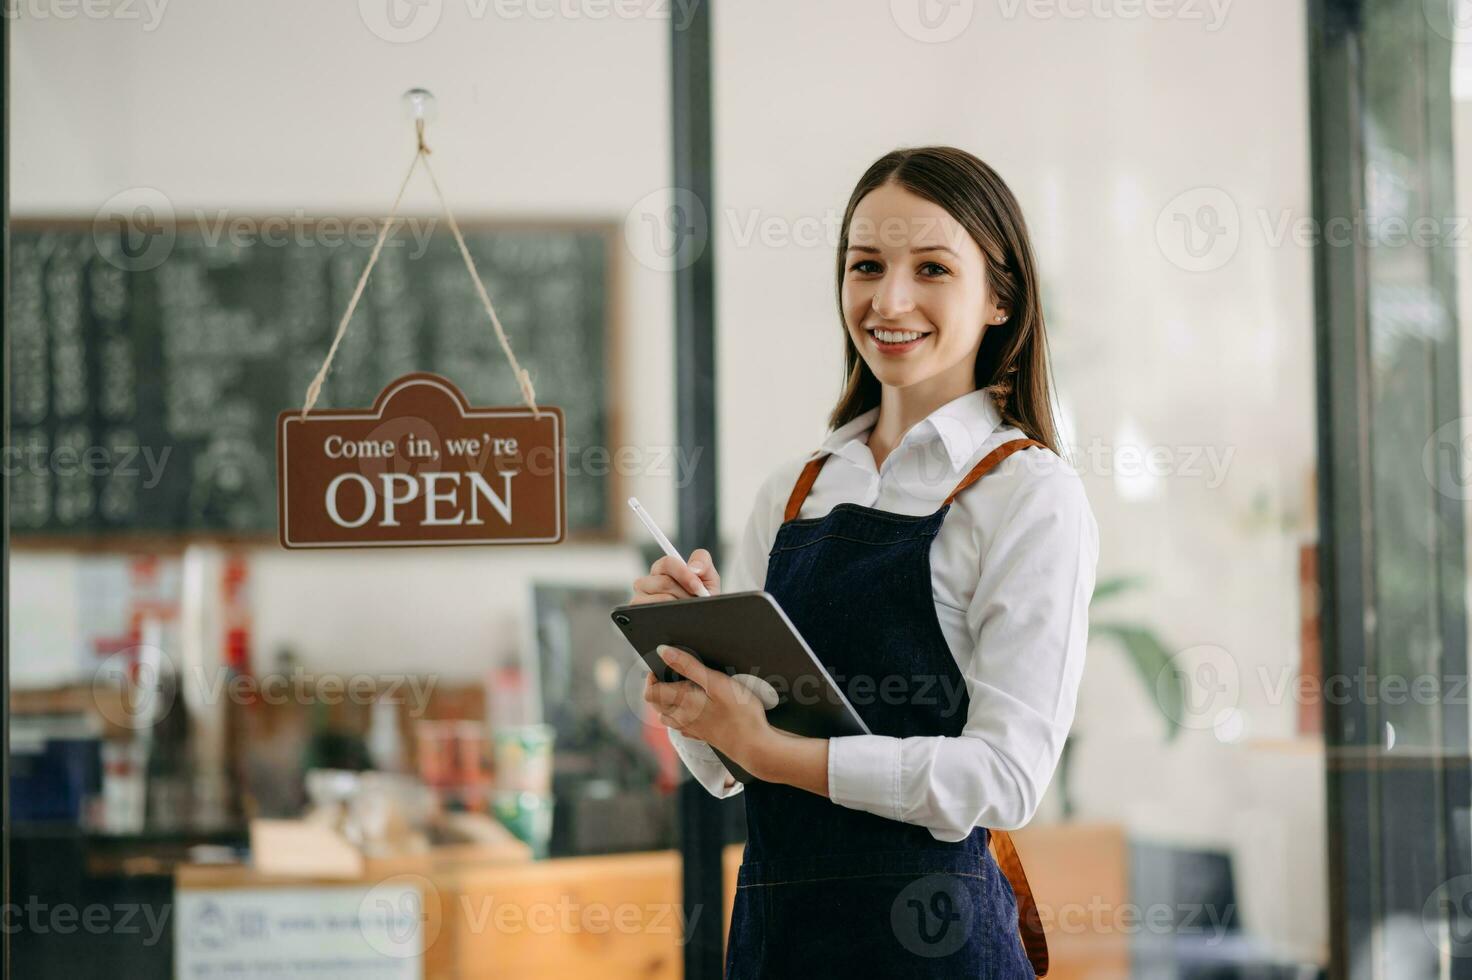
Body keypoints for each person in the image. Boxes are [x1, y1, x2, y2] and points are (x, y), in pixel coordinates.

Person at [629, 145, 1099, 979]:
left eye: (931, 269)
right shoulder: (794, 489)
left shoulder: (1028, 494)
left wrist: (780, 755)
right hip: (778, 942)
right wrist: (689, 684)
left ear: (1000, 298)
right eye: (866, 266)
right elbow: (730, 768)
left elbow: (1005, 778)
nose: (890, 299)